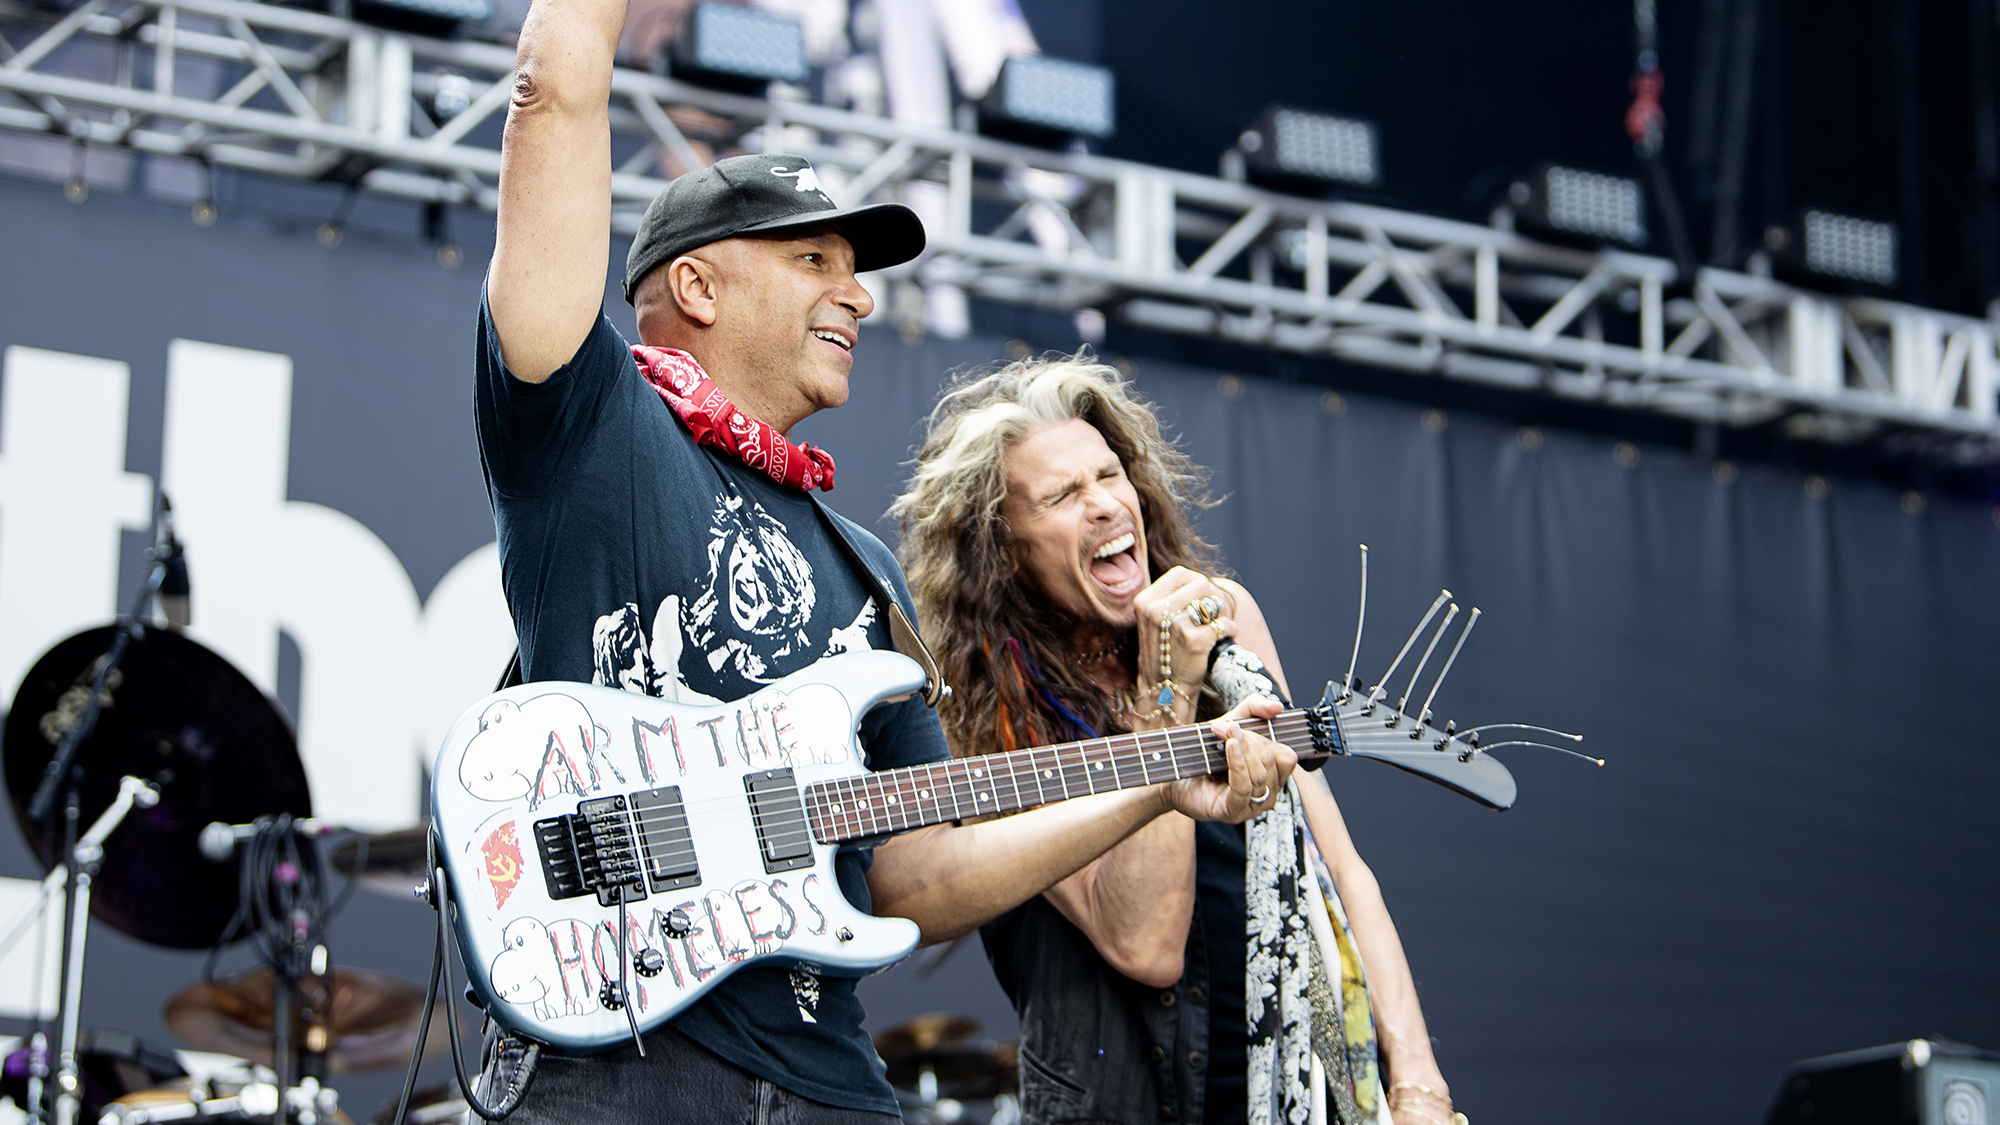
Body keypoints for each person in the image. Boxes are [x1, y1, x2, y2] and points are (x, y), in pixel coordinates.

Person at [472, 0, 1300, 1119]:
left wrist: (1154, 777)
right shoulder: (588, 426)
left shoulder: (862, 567)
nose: (855, 293)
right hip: (619, 1068)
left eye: (853, 268)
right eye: (813, 258)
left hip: (824, 1079)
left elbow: (915, 876)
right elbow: (556, 87)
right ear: (700, 288)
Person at [891, 356, 1461, 1125]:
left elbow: (1339, 867)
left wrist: (1418, 1083)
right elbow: (1142, 942)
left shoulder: (1222, 619)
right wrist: (1165, 692)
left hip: (1293, 1084)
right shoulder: (986, 704)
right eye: (1061, 495)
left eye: (1109, 474)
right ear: (1005, 549)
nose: (1103, 505)